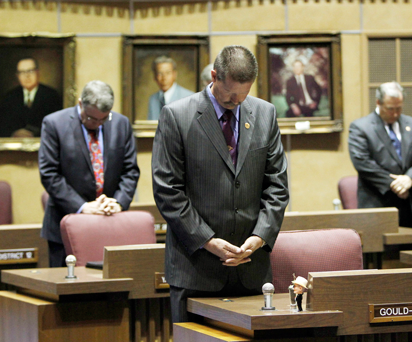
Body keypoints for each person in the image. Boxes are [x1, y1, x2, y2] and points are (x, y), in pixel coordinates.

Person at [152, 45, 289, 323]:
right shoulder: (177, 115)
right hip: (196, 269)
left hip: (252, 268)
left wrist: (260, 237)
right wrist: (208, 240)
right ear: (213, 76)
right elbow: (167, 189)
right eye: (229, 94)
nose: (236, 101)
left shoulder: (265, 113)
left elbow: (277, 185)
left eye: (244, 94)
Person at [39, 80, 140, 267]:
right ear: (80, 104)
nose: (97, 124)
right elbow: (49, 173)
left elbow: (130, 171)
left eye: (103, 119)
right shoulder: (54, 124)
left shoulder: (121, 123)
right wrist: (82, 206)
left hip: (109, 221)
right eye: (92, 119)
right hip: (65, 225)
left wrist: (118, 202)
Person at [348, 82, 412, 228]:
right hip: (378, 205)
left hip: (411, 207)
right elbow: (362, 162)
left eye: (399, 108)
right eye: (390, 109)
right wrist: (395, 184)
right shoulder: (361, 128)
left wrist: (409, 179)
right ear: (378, 103)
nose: (395, 114)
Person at [0, 57, 62, 138]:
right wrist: (14, 133)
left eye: (30, 71)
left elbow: (57, 126)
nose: (27, 76)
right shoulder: (9, 97)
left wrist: (34, 134)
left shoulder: (52, 95)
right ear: (17, 76)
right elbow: (1, 125)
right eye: (22, 72)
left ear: (38, 73)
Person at [147, 56, 195, 120]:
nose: (164, 78)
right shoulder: (153, 99)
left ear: (174, 74)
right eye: (160, 73)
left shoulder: (190, 97)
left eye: (168, 73)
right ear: (155, 76)